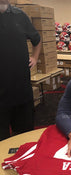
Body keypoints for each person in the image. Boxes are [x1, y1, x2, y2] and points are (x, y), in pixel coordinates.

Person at [0, 0, 41, 141]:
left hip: (22, 93)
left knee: (25, 139)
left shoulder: (20, 16)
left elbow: (37, 40)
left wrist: (35, 58)